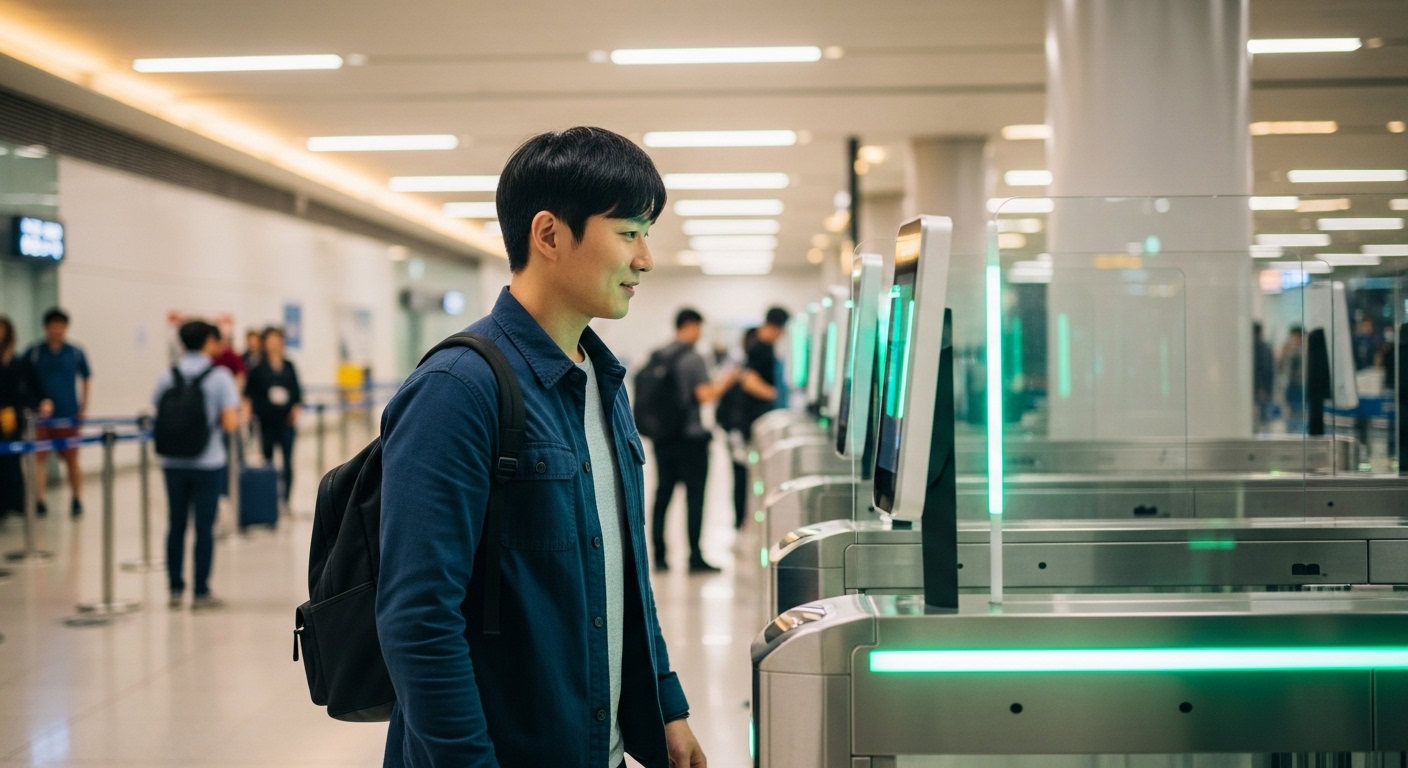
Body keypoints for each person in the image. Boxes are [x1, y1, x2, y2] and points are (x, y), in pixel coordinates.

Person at [377, 127, 705, 768]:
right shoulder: (458, 391)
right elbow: (418, 622)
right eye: (630, 232)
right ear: (549, 235)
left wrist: (665, 704)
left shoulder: (602, 383)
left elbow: (624, 572)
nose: (646, 259)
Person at [153, 320, 240, 610]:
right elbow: (229, 423)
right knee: (204, 526)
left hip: (172, 461)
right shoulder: (220, 377)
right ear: (208, 343)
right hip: (208, 461)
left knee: (175, 524)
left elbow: (157, 411)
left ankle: (175, 589)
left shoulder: (168, 374)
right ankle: (201, 591)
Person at [649, 308, 737, 573]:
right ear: (689, 325)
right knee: (694, 497)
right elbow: (704, 395)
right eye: (699, 327)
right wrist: (727, 381)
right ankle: (694, 557)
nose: (700, 334)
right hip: (690, 438)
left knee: (663, 495)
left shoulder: (659, 355)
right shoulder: (693, 358)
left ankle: (660, 557)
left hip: (663, 438)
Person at [25, 308, 91, 518]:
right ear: (46, 327)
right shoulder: (34, 352)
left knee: (72, 459)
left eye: (61, 325)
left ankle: (76, 498)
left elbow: (86, 377)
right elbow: (24, 380)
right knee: (39, 459)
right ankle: (40, 501)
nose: (57, 329)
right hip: (42, 417)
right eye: (53, 325)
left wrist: (83, 407)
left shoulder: (75, 352)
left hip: (67, 414)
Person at [0, 316, 52, 517]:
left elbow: (34, 387)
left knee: (13, 460)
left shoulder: (19, 361)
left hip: (13, 418)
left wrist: (43, 401)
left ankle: (15, 503)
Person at [245, 327, 302, 502]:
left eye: (278, 340)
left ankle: (286, 499)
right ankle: (269, 499)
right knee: (267, 461)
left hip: (286, 422)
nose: (275, 344)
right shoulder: (258, 368)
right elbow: (250, 394)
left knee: (287, 461)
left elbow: (297, 392)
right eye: (270, 340)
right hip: (266, 422)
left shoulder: (289, 366)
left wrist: (295, 409)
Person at [719, 327, 758, 529]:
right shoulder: (742, 370)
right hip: (738, 431)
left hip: (735, 430)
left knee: (740, 478)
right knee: (742, 478)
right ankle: (741, 521)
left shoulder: (737, 367)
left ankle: (742, 521)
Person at [1253, 322, 1274, 428]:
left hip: (1260, 388)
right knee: (1264, 417)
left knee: (1262, 418)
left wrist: (1261, 387)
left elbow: (1262, 369)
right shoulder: (1265, 346)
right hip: (1264, 387)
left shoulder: (1258, 347)